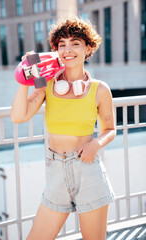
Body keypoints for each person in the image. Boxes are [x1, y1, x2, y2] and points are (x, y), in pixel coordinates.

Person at [11, 16, 116, 240]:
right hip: (56, 171)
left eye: (75, 43)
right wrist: (25, 75)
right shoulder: (46, 83)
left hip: (88, 170)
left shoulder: (100, 89)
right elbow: (19, 116)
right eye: (61, 44)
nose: (67, 49)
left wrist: (94, 145)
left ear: (88, 48)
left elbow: (110, 129)